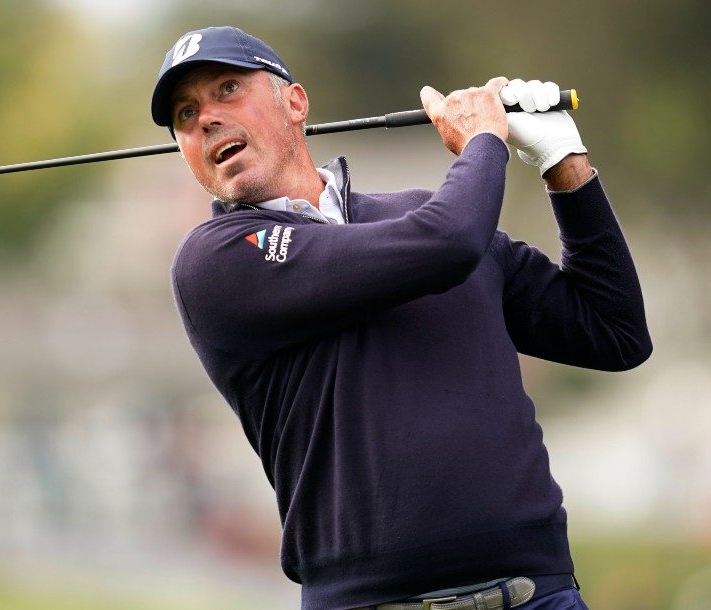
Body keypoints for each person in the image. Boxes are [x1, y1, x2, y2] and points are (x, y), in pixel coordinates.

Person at [153, 26, 651, 610]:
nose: (206, 117)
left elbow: (614, 331)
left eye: (228, 88)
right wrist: (484, 139)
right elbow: (448, 242)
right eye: (186, 114)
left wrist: (562, 161)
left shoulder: (420, 215)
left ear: (295, 102)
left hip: (536, 594)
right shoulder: (217, 261)